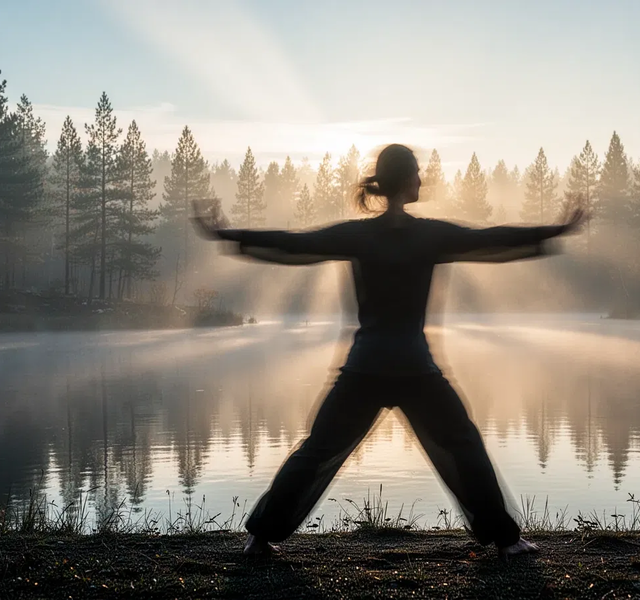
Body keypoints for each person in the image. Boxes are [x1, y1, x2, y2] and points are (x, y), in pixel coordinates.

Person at [192, 144, 586, 558]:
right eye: (417, 172)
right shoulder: (429, 234)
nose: (422, 179)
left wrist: (229, 235)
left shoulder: (360, 235)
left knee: (318, 449)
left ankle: (260, 537)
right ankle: (507, 542)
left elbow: (292, 245)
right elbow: (493, 239)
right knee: (463, 444)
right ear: (404, 180)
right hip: (415, 370)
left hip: (365, 370)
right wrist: (555, 230)